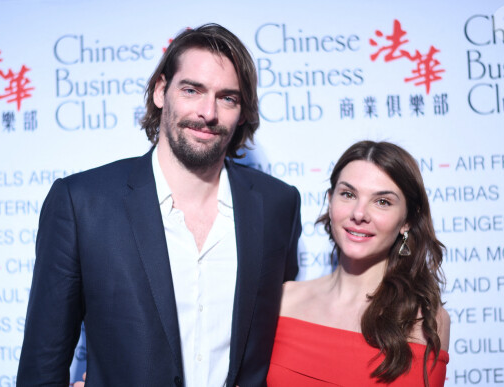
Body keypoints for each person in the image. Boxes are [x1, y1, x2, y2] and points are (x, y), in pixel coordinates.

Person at [17, 23, 301, 387]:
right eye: (191, 90)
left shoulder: (278, 204)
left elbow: (279, 341)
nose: (208, 112)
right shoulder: (83, 203)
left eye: (227, 97)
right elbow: (43, 364)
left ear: (242, 111)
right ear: (160, 92)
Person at [267, 141, 450, 386]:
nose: (359, 213)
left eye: (382, 201)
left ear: (408, 220)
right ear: (330, 201)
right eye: (348, 194)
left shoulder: (425, 320)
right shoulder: (283, 300)